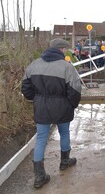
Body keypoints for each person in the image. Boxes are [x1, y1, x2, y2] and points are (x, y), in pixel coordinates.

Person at [21, 38, 81, 189]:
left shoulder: (34, 64)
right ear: (61, 49)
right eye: (65, 49)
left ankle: (39, 176)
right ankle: (65, 161)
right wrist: (71, 105)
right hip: (62, 106)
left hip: (41, 107)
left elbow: (25, 88)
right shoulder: (66, 67)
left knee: (41, 138)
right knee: (65, 133)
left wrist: (37, 99)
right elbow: (75, 90)